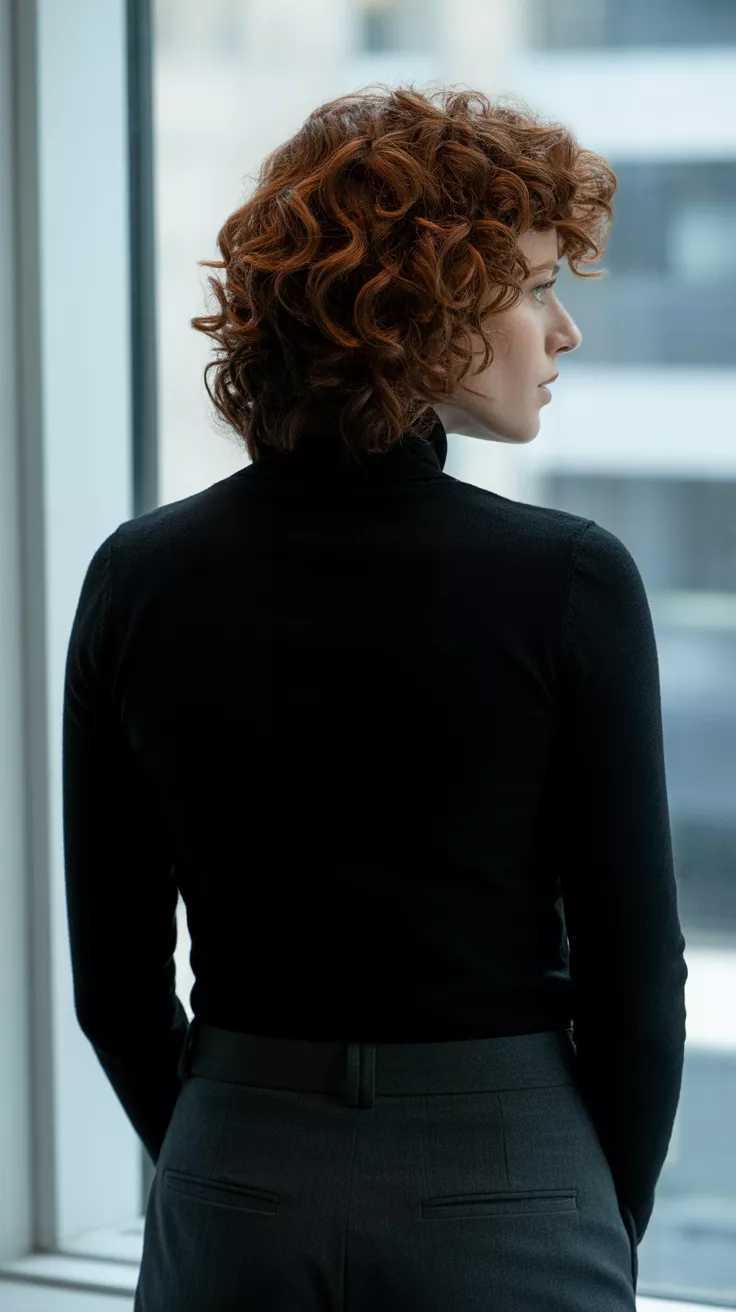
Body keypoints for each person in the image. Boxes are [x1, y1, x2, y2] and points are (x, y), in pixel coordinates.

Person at [62, 84, 688, 1310]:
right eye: (534, 283)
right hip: (509, 1171)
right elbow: (633, 971)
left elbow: (115, 984)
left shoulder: (140, 574)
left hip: (230, 1169)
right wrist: (596, 1208)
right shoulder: (566, 577)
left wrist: (216, 1152)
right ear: (424, 305)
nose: (562, 330)